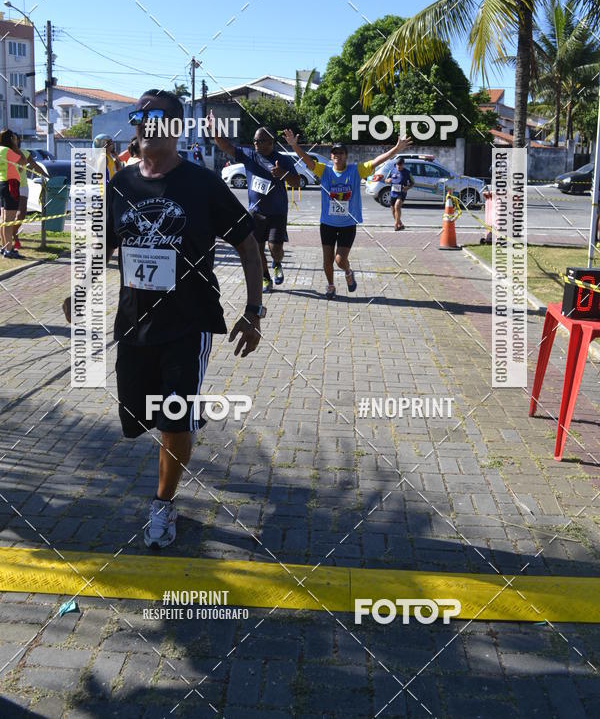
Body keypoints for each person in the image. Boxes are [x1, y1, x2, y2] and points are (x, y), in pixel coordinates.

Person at [65, 90, 264, 549]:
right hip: (134, 324)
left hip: (187, 323)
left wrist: (253, 311)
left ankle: (163, 501)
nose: (142, 125)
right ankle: (182, 420)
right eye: (138, 116)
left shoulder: (202, 184)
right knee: (140, 415)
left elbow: (248, 246)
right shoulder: (120, 186)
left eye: (153, 117)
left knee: (173, 418)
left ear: (174, 127)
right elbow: (102, 245)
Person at [283, 130, 411, 299]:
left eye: (341, 153)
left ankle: (348, 272)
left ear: (346, 156)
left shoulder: (356, 171)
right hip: (327, 224)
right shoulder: (325, 171)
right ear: (331, 156)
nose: (338, 156)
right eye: (335, 153)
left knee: (340, 260)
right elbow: (308, 160)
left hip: (347, 225)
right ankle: (330, 286)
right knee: (327, 260)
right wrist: (294, 145)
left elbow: (377, 161)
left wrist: (396, 149)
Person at [213, 123, 301, 293]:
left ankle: (277, 263)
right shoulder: (249, 156)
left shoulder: (283, 160)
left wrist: (283, 173)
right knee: (257, 249)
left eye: (259, 141)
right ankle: (266, 277)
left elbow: (297, 182)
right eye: (254, 140)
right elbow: (226, 146)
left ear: (270, 142)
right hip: (256, 212)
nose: (255, 143)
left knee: (275, 248)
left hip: (278, 212)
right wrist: (214, 128)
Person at [13, 135, 45, 249]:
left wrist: (46, 176)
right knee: (8, 215)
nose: (13, 141)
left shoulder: (24, 153)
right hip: (7, 186)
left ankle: (13, 233)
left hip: (22, 186)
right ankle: (13, 238)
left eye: (15, 139)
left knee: (21, 213)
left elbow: (35, 166)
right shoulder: (3, 153)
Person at [0, 129, 26, 259]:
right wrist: (15, 145)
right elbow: (23, 161)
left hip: (2, 183)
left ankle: (5, 247)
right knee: (9, 220)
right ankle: (9, 249)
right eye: (15, 138)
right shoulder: (8, 151)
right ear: (10, 139)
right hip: (10, 184)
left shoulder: (0, 150)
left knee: (4, 219)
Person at [385, 156, 413, 231]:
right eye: (397, 164)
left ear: (403, 164)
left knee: (397, 207)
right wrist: (388, 180)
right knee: (393, 210)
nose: (399, 166)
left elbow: (412, 183)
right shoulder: (392, 171)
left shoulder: (407, 172)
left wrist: (407, 187)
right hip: (393, 192)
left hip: (402, 192)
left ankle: (396, 225)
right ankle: (400, 224)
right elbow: (386, 180)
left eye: (400, 165)